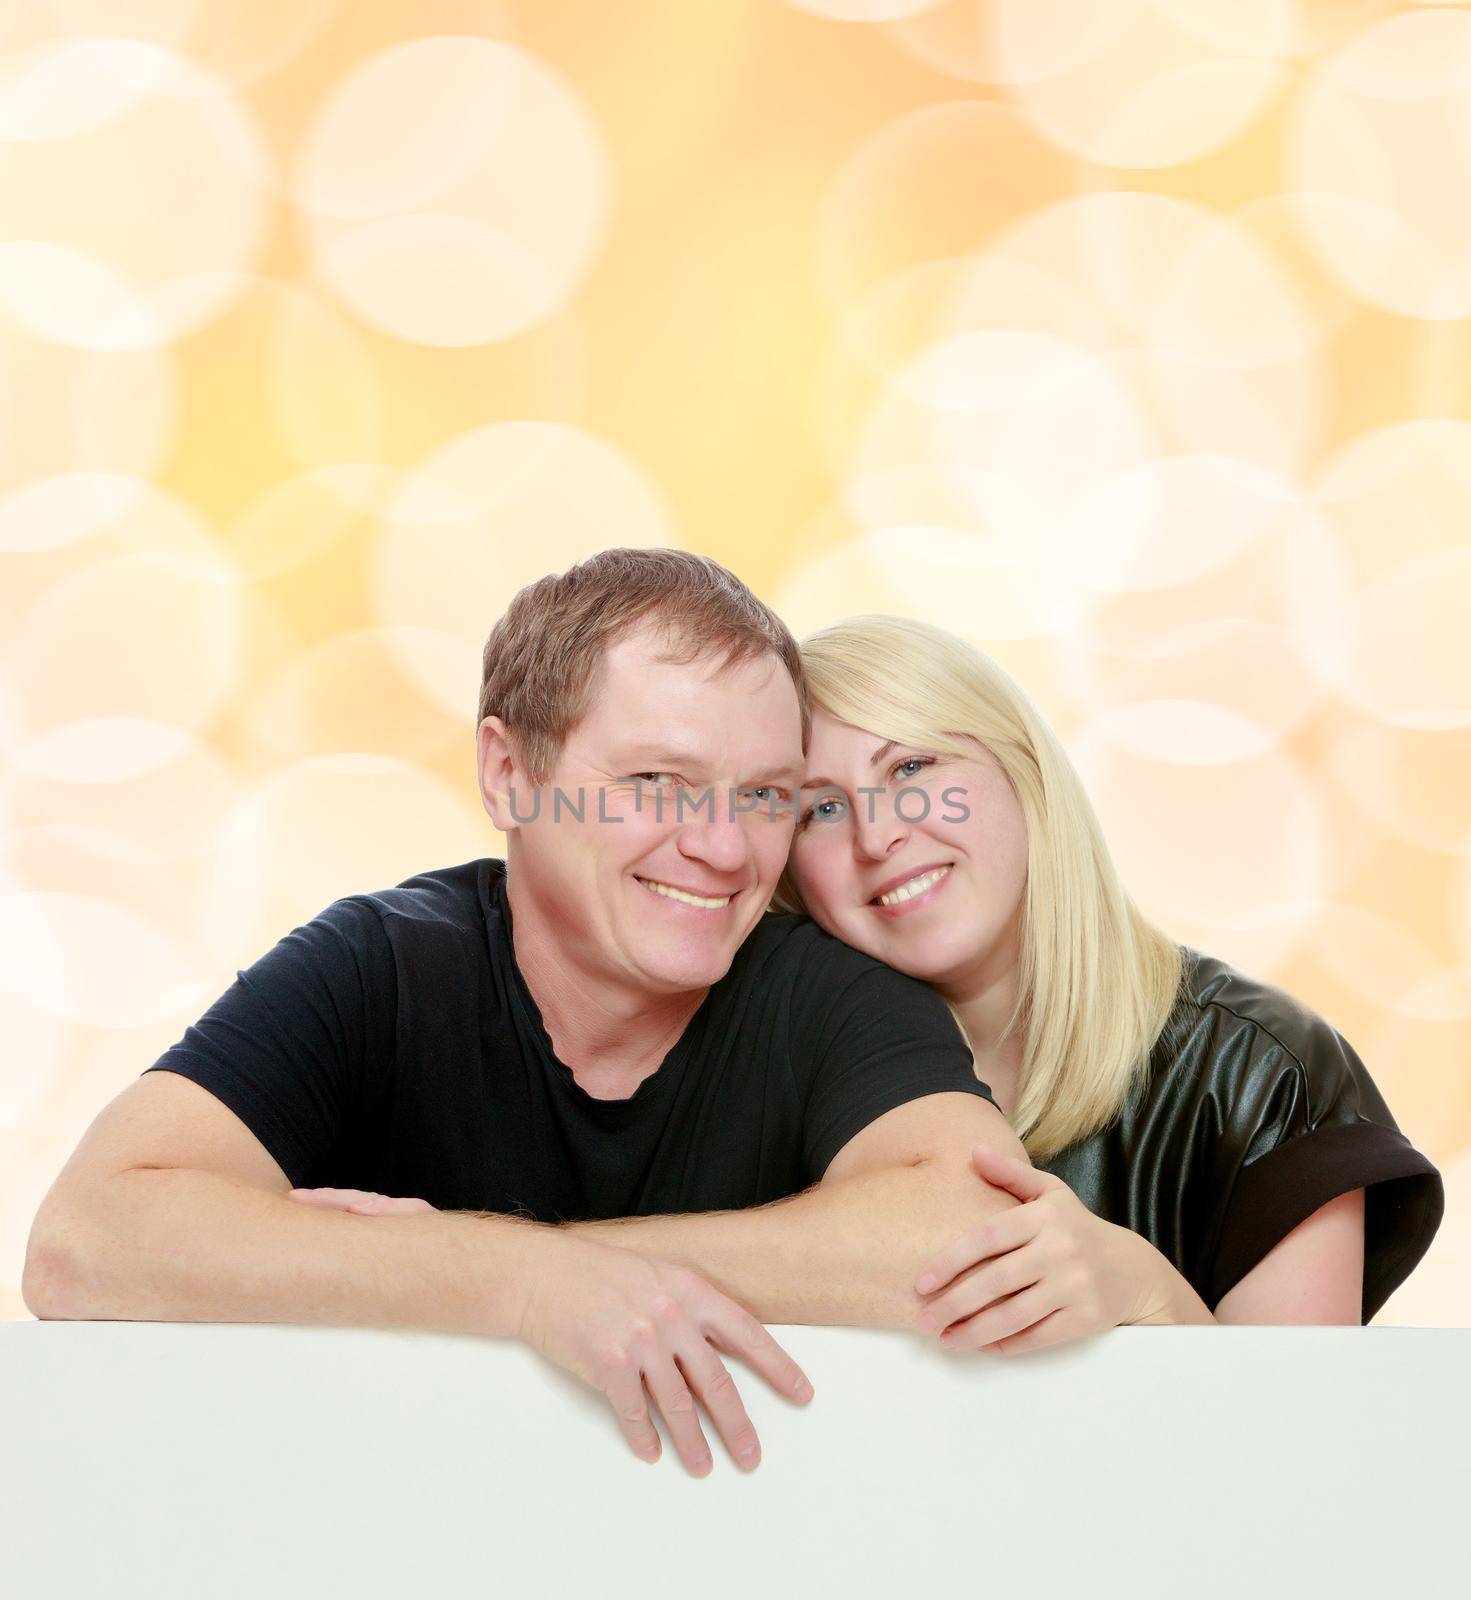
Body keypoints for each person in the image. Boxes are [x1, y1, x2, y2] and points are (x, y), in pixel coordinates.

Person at [22, 550, 1028, 1477]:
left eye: (765, 796)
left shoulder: (825, 990)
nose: (725, 849)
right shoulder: (382, 966)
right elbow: (85, 1242)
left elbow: (980, 1231)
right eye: (655, 782)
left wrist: (537, 1267)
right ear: (510, 774)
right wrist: (522, 1286)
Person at [765, 612, 1444, 1352]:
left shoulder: (1259, 1071)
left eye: (910, 768)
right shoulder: (753, 1081)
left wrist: (1147, 1291)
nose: (876, 835)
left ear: (1023, 772)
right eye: (820, 809)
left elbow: (1297, 1453)